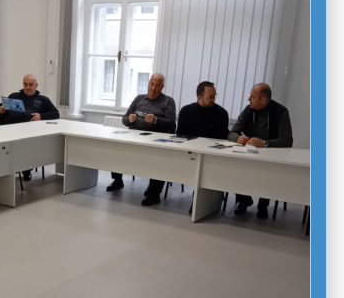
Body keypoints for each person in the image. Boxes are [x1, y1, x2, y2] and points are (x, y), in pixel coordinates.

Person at [107, 73, 176, 207]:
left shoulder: (168, 101)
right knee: (116, 148)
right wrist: (129, 119)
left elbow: (172, 123)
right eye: (151, 84)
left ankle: (154, 193)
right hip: (134, 136)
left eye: (157, 85)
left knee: (159, 159)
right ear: (148, 83)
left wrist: (156, 120)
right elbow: (125, 119)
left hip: (156, 139)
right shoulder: (139, 98)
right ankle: (117, 180)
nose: (153, 88)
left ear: (162, 87)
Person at [228, 83, 293, 219]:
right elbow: (232, 132)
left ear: (263, 100)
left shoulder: (280, 112)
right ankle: (244, 201)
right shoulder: (249, 110)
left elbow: (287, 140)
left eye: (252, 96)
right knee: (234, 168)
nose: (248, 99)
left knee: (268, 174)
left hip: (272, 156)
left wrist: (265, 143)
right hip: (248, 153)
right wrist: (238, 138)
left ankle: (263, 205)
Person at [177, 81, 229, 214]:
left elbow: (222, 137)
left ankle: (200, 201)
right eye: (210, 97)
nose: (213, 99)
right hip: (189, 152)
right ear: (199, 97)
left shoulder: (221, 113)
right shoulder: (186, 111)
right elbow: (180, 134)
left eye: (214, 96)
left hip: (212, 155)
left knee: (208, 169)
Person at [0, 74, 60, 180]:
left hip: (29, 133)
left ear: (36, 85)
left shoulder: (43, 100)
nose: (27, 87)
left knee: (26, 148)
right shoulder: (14, 96)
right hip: (9, 131)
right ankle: (6, 169)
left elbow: (56, 113)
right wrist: (0, 109)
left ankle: (26, 170)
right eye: (25, 84)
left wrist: (41, 116)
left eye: (31, 85)